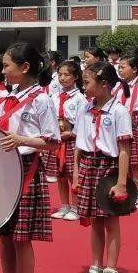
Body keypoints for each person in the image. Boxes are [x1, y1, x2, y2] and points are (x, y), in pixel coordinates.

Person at [0, 42, 58, 273]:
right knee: (5, 237)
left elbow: (52, 142)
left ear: (25, 67)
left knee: (22, 239)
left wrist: (22, 140)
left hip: (27, 169)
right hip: (4, 170)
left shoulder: (41, 99)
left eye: (6, 66)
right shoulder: (5, 98)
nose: (2, 70)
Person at [73, 62, 132, 273]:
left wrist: (121, 182)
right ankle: (95, 267)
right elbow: (79, 145)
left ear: (104, 83)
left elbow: (124, 148)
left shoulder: (119, 111)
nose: (83, 87)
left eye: (87, 83)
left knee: (111, 221)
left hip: (109, 167)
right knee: (94, 221)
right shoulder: (85, 109)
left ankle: (111, 271)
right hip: (89, 163)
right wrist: (77, 173)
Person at [48, 61, 84, 222]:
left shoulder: (79, 99)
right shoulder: (54, 97)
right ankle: (64, 205)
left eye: (67, 75)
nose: (62, 78)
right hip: (57, 140)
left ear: (75, 77)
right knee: (60, 174)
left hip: (71, 141)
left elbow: (82, 122)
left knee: (72, 174)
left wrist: (71, 133)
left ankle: (76, 207)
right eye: (60, 74)